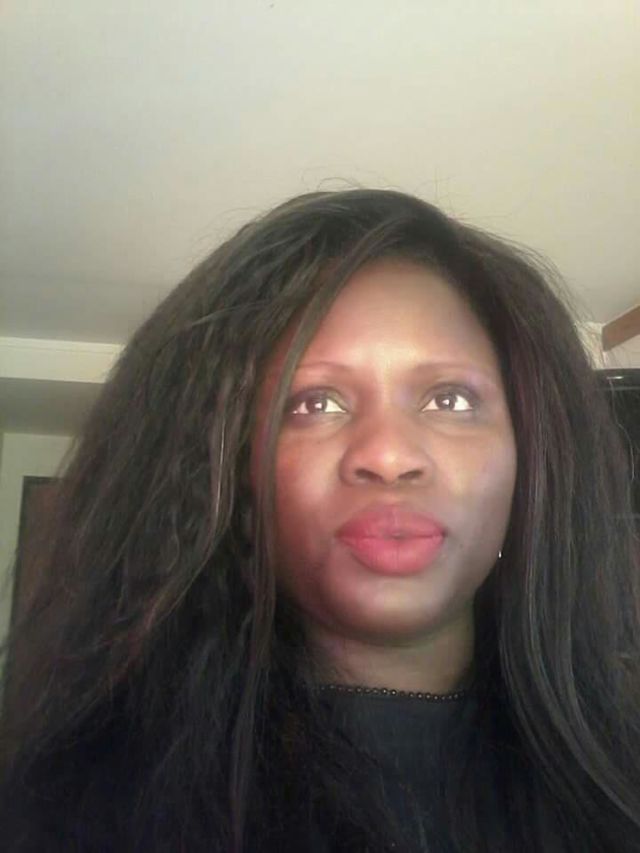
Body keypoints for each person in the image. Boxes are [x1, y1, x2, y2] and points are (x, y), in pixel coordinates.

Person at [1, 188, 639, 852]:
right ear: (235, 473)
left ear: (531, 460)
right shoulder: (77, 811)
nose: (388, 456)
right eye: (314, 403)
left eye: (449, 399)